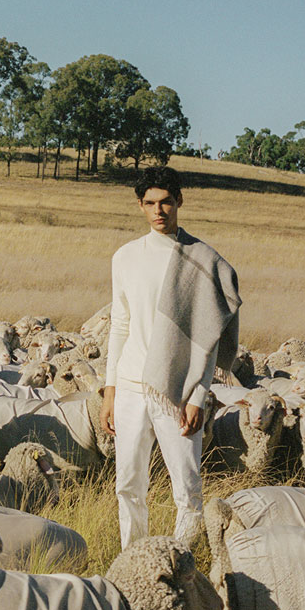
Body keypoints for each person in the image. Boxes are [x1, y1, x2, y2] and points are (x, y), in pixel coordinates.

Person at [101, 166, 241, 550]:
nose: (158, 210)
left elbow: (207, 338)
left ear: (179, 201)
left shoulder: (202, 261)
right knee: (128, 484)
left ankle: (182, 564)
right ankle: (134, 560)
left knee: (187, 487)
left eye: (166, 202)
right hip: (130, 386)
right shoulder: (125, 257)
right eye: (150, 203)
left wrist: (198, 396)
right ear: (140, 206)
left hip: (178, 390)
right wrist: (110, 391)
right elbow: (120, 325)